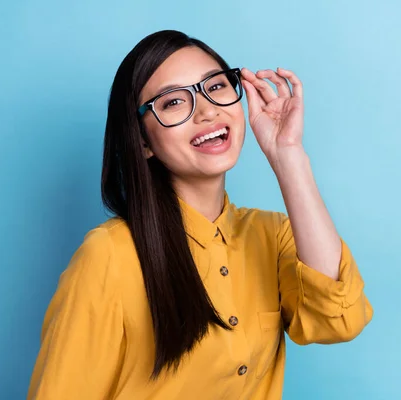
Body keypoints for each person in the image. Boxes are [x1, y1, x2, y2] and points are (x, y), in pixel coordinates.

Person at [27, 29, 373, 400]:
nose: (207, 111)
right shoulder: (108, 256)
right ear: (142, 140)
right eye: (174, 102)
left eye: (216, 86)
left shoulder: (273, 235)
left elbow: (338, 321)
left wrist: (288, 156)